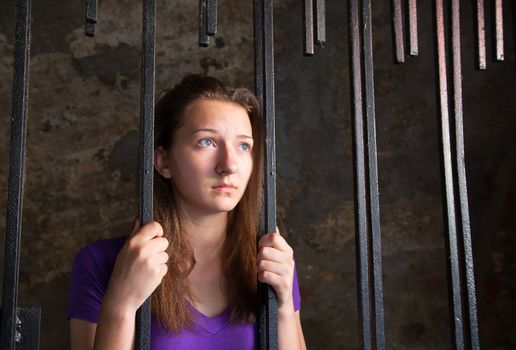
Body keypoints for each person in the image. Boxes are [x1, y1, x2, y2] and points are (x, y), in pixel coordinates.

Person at [68, 74, 307, 349]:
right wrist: (120, 305)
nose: (229, 165)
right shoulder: (101, 262)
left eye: (243, 146)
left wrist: (284, 305)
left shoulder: (270, 260)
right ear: (163, 161)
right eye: (207, 142)